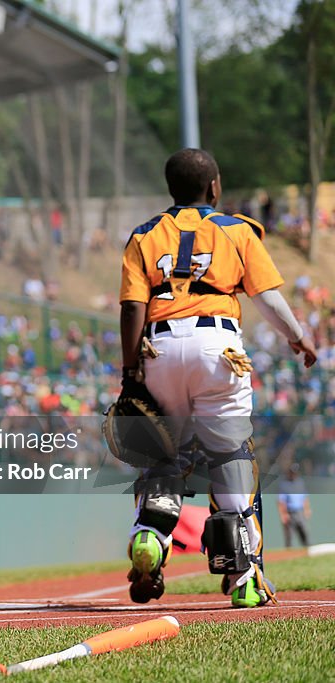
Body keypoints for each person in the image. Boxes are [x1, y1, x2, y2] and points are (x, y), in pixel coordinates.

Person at [118, 148, 317, 608]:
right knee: (230, 454)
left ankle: (150, 533)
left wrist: (131, 372)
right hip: (218, 347)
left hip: (159, 347)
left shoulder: (144, 234)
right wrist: (298, 337)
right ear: (215, 187)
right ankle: (245, 577)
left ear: (171, 188)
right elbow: (265, 296)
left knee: (165, 457)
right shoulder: (236, 229)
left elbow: (132, 307)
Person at [277, 464, 311, 548]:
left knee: (304, 532)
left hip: (300, 512)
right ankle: (288, 554)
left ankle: (307, 550)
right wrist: (283, 514)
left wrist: (307, 509)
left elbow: (304, 497)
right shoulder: (284, 484)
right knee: (289, 536)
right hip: (289, 512)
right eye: (292, 472)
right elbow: (281, 500)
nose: (293, 474)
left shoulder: (300, 483)